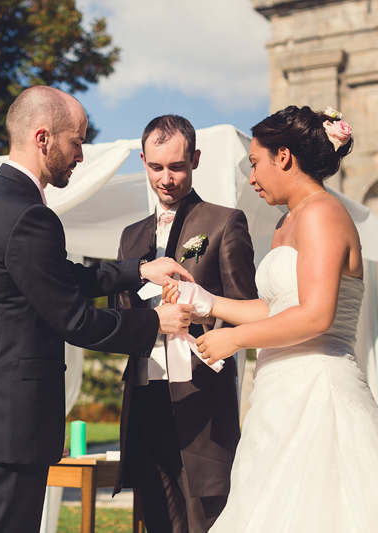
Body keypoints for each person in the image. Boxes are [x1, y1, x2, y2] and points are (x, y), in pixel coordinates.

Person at [0, 86, 195, 533]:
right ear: (43, 138)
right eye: (76, 141)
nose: (81, 154)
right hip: (10, 424)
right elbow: (73, 319)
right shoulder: (28, 215)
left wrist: (139, 270)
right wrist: (155, 321)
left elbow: (60, 279)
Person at [168, 105, 378, 531]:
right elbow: (277, 307)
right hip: (277, 399)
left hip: (319, 392)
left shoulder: (323, 213)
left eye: (255, 163)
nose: (251, 177)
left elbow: (316, 316)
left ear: (283, 157)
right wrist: (206, 301)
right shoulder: (287, 223)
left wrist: (235, 339)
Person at [113, 115, 259, 532]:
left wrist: (204, 313)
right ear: (143, 161)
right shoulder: (129, 236)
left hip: (201, 397)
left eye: (176, 166)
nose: (166, 178)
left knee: (205, 519)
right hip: (143, 395)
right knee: (156, 517)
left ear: (194, 160)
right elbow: (121, 312)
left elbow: (246, 311)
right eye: (156, 167)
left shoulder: (223, 222)